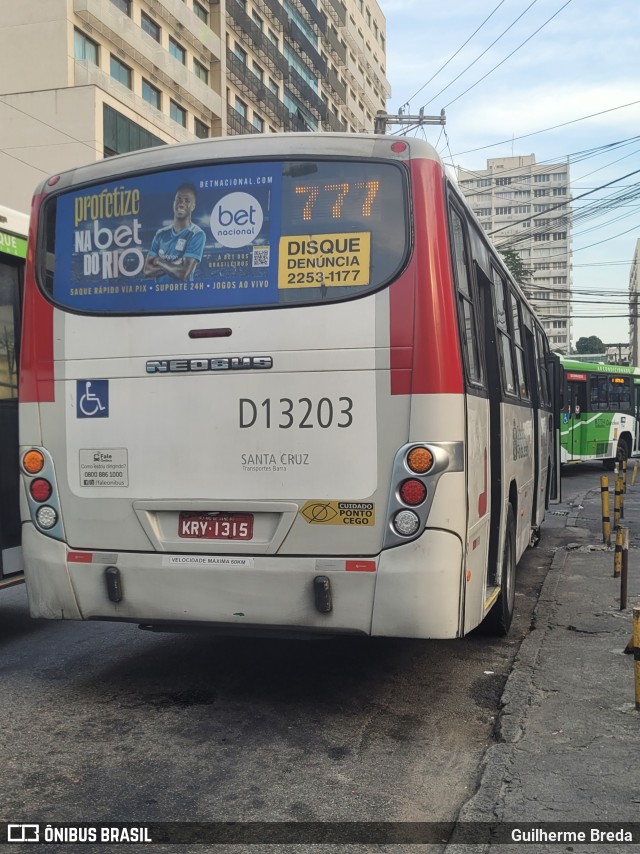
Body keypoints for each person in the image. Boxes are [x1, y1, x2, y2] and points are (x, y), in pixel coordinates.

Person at [144, 183, 205, 282]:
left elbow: (183, 274)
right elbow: (147, 271)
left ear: (193, 206)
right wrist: (175, 264)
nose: (181, 204)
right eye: (179, 199)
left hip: (183, 296)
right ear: (173, 202)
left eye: (187, 201)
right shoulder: (160, 234)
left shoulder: (197, 234)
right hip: (158, 295)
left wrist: (158, 261)